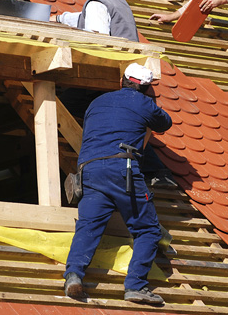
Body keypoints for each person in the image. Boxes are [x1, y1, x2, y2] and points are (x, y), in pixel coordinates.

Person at [63, 63, 172, 305]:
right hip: (121, 169)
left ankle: (73, 275)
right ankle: (136, 286)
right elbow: (165, 123)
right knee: (148, 230)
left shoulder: (97, 103)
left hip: (89, 170)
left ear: (122, 80)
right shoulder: (144, 103)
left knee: (88, 227)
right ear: (144, 87)